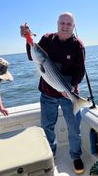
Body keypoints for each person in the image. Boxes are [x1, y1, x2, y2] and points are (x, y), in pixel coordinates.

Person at [20, 12, 86, 174]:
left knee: (73, 128)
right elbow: (32, 54)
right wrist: (28, 39)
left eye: (68, 24)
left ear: (73, 26)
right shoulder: (47, 39)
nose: (64, 26)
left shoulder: (78, 46)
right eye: (62, 23)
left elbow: (80, 71)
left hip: (68, 93)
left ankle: (76, 156)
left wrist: (70, 87)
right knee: (47, 126)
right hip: (47, 94)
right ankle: (50, 155)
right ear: (57, 24)